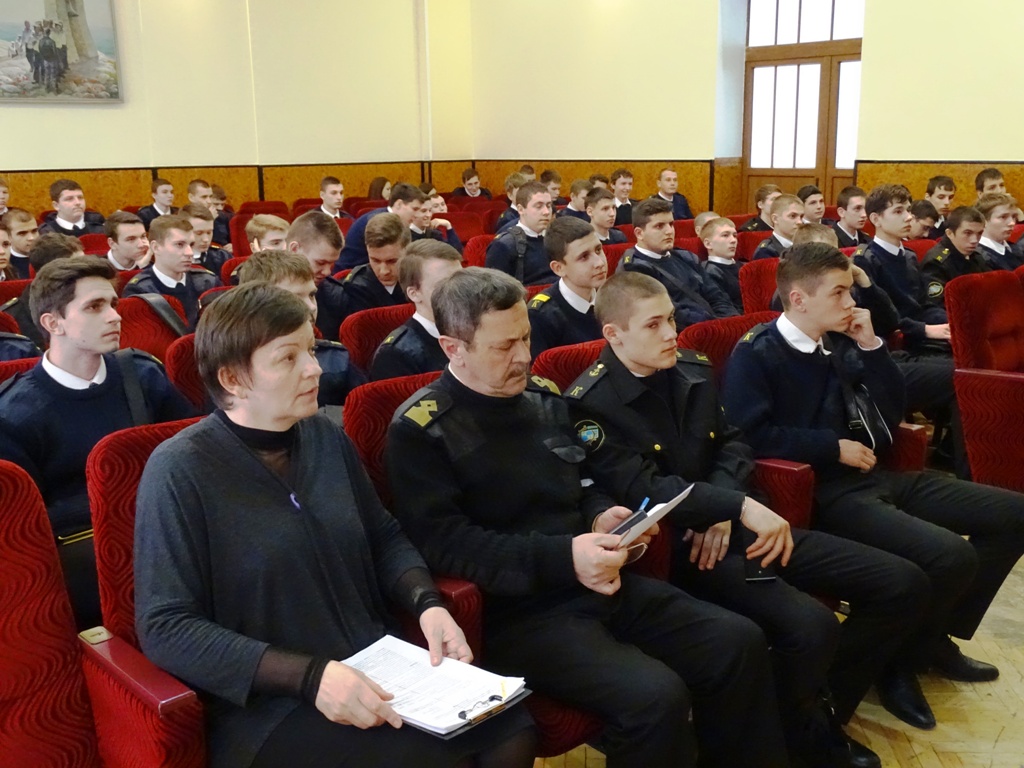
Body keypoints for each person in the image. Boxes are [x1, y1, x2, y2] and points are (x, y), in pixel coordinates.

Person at [385, 266, 791, 768]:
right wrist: (566, 557)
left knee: (738, 641)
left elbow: (582, 480)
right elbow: (444, 544)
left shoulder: (542, 398)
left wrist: (601, 516)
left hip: (598, 582)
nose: (524, 356)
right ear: (453, 349)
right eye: (504, 346)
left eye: (526, 338)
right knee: (656, 697)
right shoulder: (423, 429)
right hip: (520, 612)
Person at [134, 282, 536, 768]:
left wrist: (426, 603)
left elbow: (383, 535)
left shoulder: (324, 435)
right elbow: (166, 626)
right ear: (233, 379)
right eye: (289, 358)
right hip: (269, 702)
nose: (314, 368)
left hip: (372, 662)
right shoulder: (179, 469)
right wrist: (310, 677)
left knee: (510, 727)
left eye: (310, 349)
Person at [566, 271, 928, 768]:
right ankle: (803, 736)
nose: (672, 333)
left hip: (735, 522)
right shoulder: (591, 403)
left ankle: (806, 718)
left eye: (671, 319)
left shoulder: (690, 368)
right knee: (811, 625)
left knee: (900, 582)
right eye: (654, 325)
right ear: (614, 334)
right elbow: (646, 489)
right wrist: (726, 508)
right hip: (688, 548)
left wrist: (726, 506)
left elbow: (734, 444)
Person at [723, 242, 1024, 732]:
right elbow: (748, 434)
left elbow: (891, 408)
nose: (851, 303)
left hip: (878, 474)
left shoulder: (839, 340)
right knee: (948, 555)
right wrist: (831, 447)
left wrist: (871, 346)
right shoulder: (758, 352)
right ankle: (897, 665)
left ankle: (927, 641)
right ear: (799, 299)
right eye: (839, 293)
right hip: (828, 490)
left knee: (1014, 514)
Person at [0, 257, 194, 630]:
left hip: (174, 536)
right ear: (52, 323)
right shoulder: (15, 416)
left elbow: (193, 452)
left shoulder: (143, 374)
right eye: (94, 307)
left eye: (113, 304)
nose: (114, 316)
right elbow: (26, 536)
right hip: (87, 570)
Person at [237, 251, 366, 406]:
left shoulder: (337, 361)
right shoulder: (235, 366)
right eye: (295, 298)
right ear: (257, 304)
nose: (311, 307)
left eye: (311, 295)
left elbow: (362, 411)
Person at [852, 184, 950, 357]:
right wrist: (925, 329)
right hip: (898, 344)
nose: (908, 217)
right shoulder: (866, 260)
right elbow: (880, 318)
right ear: (876, 219)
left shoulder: (909, 256)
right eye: (898, 211)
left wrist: (950, 322)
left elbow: (923, 304)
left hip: (920, 334)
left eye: (908, 210)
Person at [618, 198, 737, 329]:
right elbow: (672, 314)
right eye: (659, 226)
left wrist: (730, 321)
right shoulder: (634, 269)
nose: (669, 231)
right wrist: (714, 325)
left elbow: (716, 295)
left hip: (713, 326)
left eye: (671, 224)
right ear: (639, 233)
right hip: (682, 333)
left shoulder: (685, 257)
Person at [370, 240, 461, 380]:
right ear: (414, 294)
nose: (459, 291)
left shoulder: (477, 330)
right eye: (443, 286)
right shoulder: (395, 355)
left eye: (462, 281)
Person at [122, 215, 221, 329]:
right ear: (156, 247)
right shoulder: (139, 290)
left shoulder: (208, 282)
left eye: (191, 245)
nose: (190, 252)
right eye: (180, 244)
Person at [527, 217, 606, 359]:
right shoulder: (540, 316)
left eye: (598, 250)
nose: (599, 262)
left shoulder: (613, 297)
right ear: (559, 268)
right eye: (584, 257)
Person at [336, 214, 411, 319]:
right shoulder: (354, 290)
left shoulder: (420, 281)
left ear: (408, 251)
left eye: (392, 261)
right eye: (375, 260)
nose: (384, 271)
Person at [337, 184, 427, 270]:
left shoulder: (392, 220)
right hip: (353, 274)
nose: (417, 215)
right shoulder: (379, 222)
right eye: (414, 209)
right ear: (399, 204)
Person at [484, 181, 554, 285]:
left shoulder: (557, 239)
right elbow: (495, 290)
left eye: (548, 206)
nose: (546, 212)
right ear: (521, 209)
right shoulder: (503, 246)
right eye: (539, 206)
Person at [920, 206, 989, 312]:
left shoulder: (977, 257)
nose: (974, 240)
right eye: (968, 233)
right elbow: (937, 305)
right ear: (950, 233)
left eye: (979, 233)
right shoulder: (936, 262)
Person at [700, 217, 743, 313]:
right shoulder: (709, 273)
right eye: (725, 235)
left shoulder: (744, 267)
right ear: (708, 244)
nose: (733, 240)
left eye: (735, 235)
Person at [975, 192, 1024, 271]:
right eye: (1003, 217)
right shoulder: (978, 258)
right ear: (983, 221)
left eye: (1014, 217)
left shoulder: (1014, 249)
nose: (1012, 223)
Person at [39, 179, 105, 237]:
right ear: (56, 205)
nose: (77, 202)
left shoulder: (99, 230)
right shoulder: (47, 233)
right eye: (69, 199)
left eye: (80, 197)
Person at [181, 203, 230, 276]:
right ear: (182, 231)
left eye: (209, 232)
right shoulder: (172, 259)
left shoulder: (223, 257)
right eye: (199, 233)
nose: (206, 239)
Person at [753, 194, 804, 259]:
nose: (799, 222)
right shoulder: (766, 251)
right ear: (775, 219)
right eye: (793, 216)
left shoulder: (805, 245)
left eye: (801, 216)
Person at [2, 208, 40, 278]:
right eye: (22, 233)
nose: (31, 238)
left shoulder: (50, 257)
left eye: (34, 231)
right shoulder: (4, 265)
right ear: (8, 236)